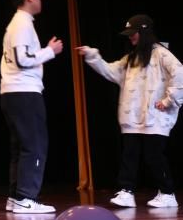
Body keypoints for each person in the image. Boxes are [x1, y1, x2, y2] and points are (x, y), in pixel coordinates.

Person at [77, 14, 183, 208]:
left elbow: (179, 73)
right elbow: (111, 71)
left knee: (153, 155)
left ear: (144, 32)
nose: (131, 37)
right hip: (132, 116)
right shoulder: (132, 58)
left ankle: (167, 193)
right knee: (129, 155)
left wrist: (169, 100)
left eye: (134, 33)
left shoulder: (161, 54)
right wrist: (93, 56)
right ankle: (126, 191)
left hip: (155, 116)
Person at [0, 0, 63, 214]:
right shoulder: (21, 24)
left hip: (15, 91)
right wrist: (50, 51)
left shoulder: (19, 24)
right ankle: (26, 197)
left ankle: (16, 196)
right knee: (34, 145)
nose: (40, 1)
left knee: (22, 146)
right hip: (23, 91)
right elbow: (22, 59)